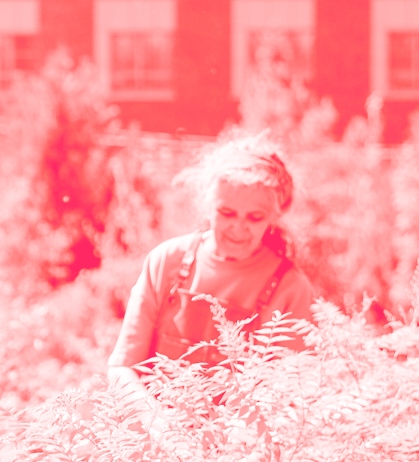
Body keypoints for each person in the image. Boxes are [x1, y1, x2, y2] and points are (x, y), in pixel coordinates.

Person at [107, 134, 315, 404]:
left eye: (255, 217)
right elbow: (122, 369)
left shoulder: (290, 289)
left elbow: (285, 399)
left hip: (236, 444)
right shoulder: (166, 262)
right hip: (152, 435)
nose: (238, 228)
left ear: (275, 216)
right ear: (207, 204)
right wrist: (159, 427)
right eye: (226, 213)